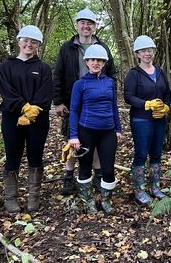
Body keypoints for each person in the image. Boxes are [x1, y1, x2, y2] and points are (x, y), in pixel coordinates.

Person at [53, 7, 116, 195]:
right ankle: (68, 175)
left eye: (89, 23)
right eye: (82, 22)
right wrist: (58, 101)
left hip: (97, 101)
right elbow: (58, 74)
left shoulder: (103, 47)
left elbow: (112, 72)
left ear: (94, 26)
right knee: (72, 140)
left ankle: (97, 174)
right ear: (77, 25)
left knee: (95, 139)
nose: (86, 26)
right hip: (73, 101)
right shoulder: (68, 47)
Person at [0, 25, 53, 213]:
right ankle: (11, 198)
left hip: (38, 120)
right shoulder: (6, 66)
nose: (29, 44)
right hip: (12, 118)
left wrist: (32, 112)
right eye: (26, 40)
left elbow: (46, 94)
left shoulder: (43, 68)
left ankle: (33, 198)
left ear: (38, 45)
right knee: (13, 156)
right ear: (19, 41)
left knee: (35, 156)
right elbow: (6, 91)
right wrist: (23, 107)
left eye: (34, 42)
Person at [68, 44, 122, 214]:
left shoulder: (109, 83)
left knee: (108, 168)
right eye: (92, 60)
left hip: (108, 131)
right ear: (87, 62)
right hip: (86, 131)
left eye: (99, 60)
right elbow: (74, 110)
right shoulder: (80, 84)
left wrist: (118, 129)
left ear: (104, 62)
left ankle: (106, 200)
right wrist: (73, 135)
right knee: (85, 166)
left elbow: (114, 106)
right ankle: (89, 200)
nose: (95, 63)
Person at [124, 35, 171, 205]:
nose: (147, 53)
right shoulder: (133, 74)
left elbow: (167, 92)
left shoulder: (160, 72)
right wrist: (146, 104)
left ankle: (156, 187)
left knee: (157, 153)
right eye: (144, 50)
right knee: (142, 153)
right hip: (141, 119)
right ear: (137, 53)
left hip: (159, 119)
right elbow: (128, 96)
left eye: (150, 50)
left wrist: (166, 106)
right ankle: (139, 189)